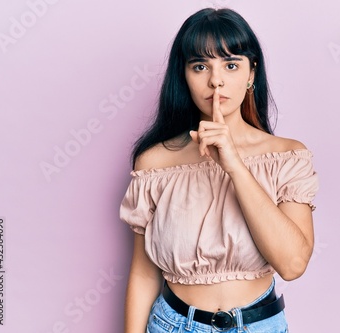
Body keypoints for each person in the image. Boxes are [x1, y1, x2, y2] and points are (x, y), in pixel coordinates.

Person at [120, 7, 319, 333]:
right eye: (200, 66)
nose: (216, 80)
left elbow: (292, 264)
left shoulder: (286, 156)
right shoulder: (154, 163)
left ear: (251, 73)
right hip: (173, 325)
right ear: (184, 75)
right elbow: (144, 274)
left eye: (230, 64)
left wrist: (235, 167)